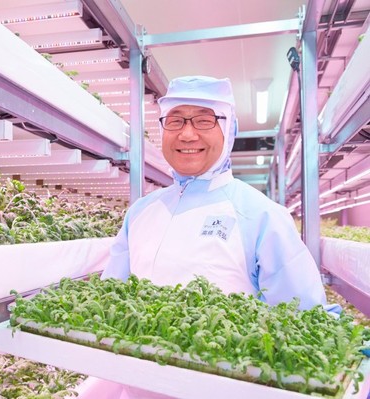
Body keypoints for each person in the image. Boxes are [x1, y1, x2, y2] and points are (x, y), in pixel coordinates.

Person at [99, 75, 341, 398]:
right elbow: (105, 307)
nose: (187, 133)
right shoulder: (140, 214)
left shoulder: (261, 217)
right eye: (175, 120)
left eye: (204, 119)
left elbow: (306, 324)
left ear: (229, 131)